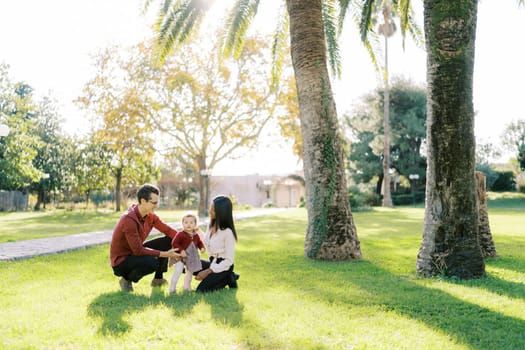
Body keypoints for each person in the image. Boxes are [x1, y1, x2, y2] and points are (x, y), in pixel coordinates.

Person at [110, 184, 181, 292]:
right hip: (122, 261)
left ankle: (158, 279)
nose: (157, 206)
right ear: (143, 201)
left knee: (170, 240)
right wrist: (166, 254)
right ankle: (126, 279)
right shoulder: (128, 220)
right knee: (152, 263)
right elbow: (138, 250)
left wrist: (187, 242)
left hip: (135, 251)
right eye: (154, 203)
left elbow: (168, 231)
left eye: (158, 202)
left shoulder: (150, 215)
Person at [195, 195, 239, 292]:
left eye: (213, 209)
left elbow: (229, 261)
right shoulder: (211, 225)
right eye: (211, 207)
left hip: (224, 266)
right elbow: (208, 242)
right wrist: (197, 230)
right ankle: (228, 277)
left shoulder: (228, 233)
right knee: (190, 263)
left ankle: (229, 276)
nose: (210, 210)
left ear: (221, 212)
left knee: (201, 290)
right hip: (212, 262)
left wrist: (208, 271)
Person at [168, 213, 206, 293]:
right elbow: (174, 243)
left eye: (191, 222)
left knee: (189, 272)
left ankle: (187, 287)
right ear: (182, 223)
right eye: (186, 222)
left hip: (191, 257)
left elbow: (199, 242)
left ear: (195, 224)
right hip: (180, 257)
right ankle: (172, 288)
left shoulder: (196, 235)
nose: (188, 224)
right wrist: (181, 250)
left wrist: (202, 247)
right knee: (178, 270)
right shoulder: (180, 234)